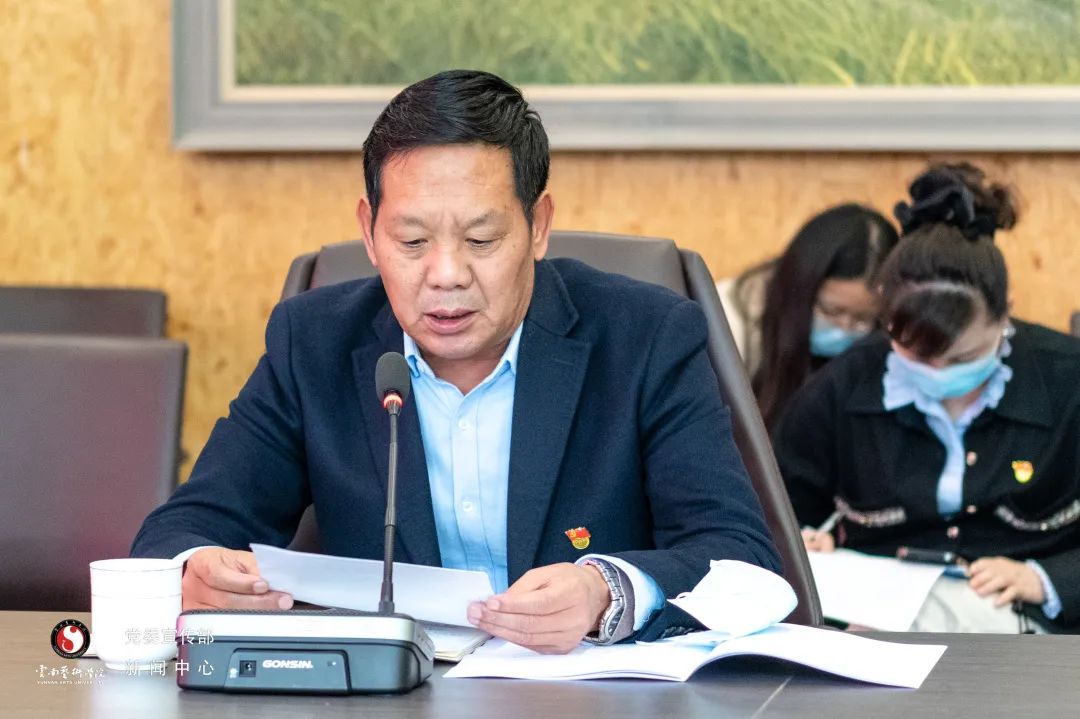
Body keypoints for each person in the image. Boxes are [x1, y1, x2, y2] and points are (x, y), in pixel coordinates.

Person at [131, 70, 779, 653]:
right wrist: (196, 571)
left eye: (481, 239)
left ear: (538, 225)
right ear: (370, 231)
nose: (446, 274)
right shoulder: (314, 343)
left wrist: (605, 592)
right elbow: (183, 529)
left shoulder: (644, 337)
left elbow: (741, 558)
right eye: (412, 241)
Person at [777, 162, 1080, 633]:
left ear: (1005, 315)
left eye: (963, 358)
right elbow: (779, 506)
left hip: (1024, 621)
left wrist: (1049, 579)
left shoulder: (1067, 379)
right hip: (871, 612)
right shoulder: (844, 385)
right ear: (886, 320)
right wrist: (806, 540)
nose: (938, 374)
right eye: (916, 355)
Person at [717, 205, 899, 430]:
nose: (845, 327)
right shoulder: (729, 322)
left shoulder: (893, 339)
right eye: (832, 311)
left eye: (863, 318)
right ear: (800, 291)